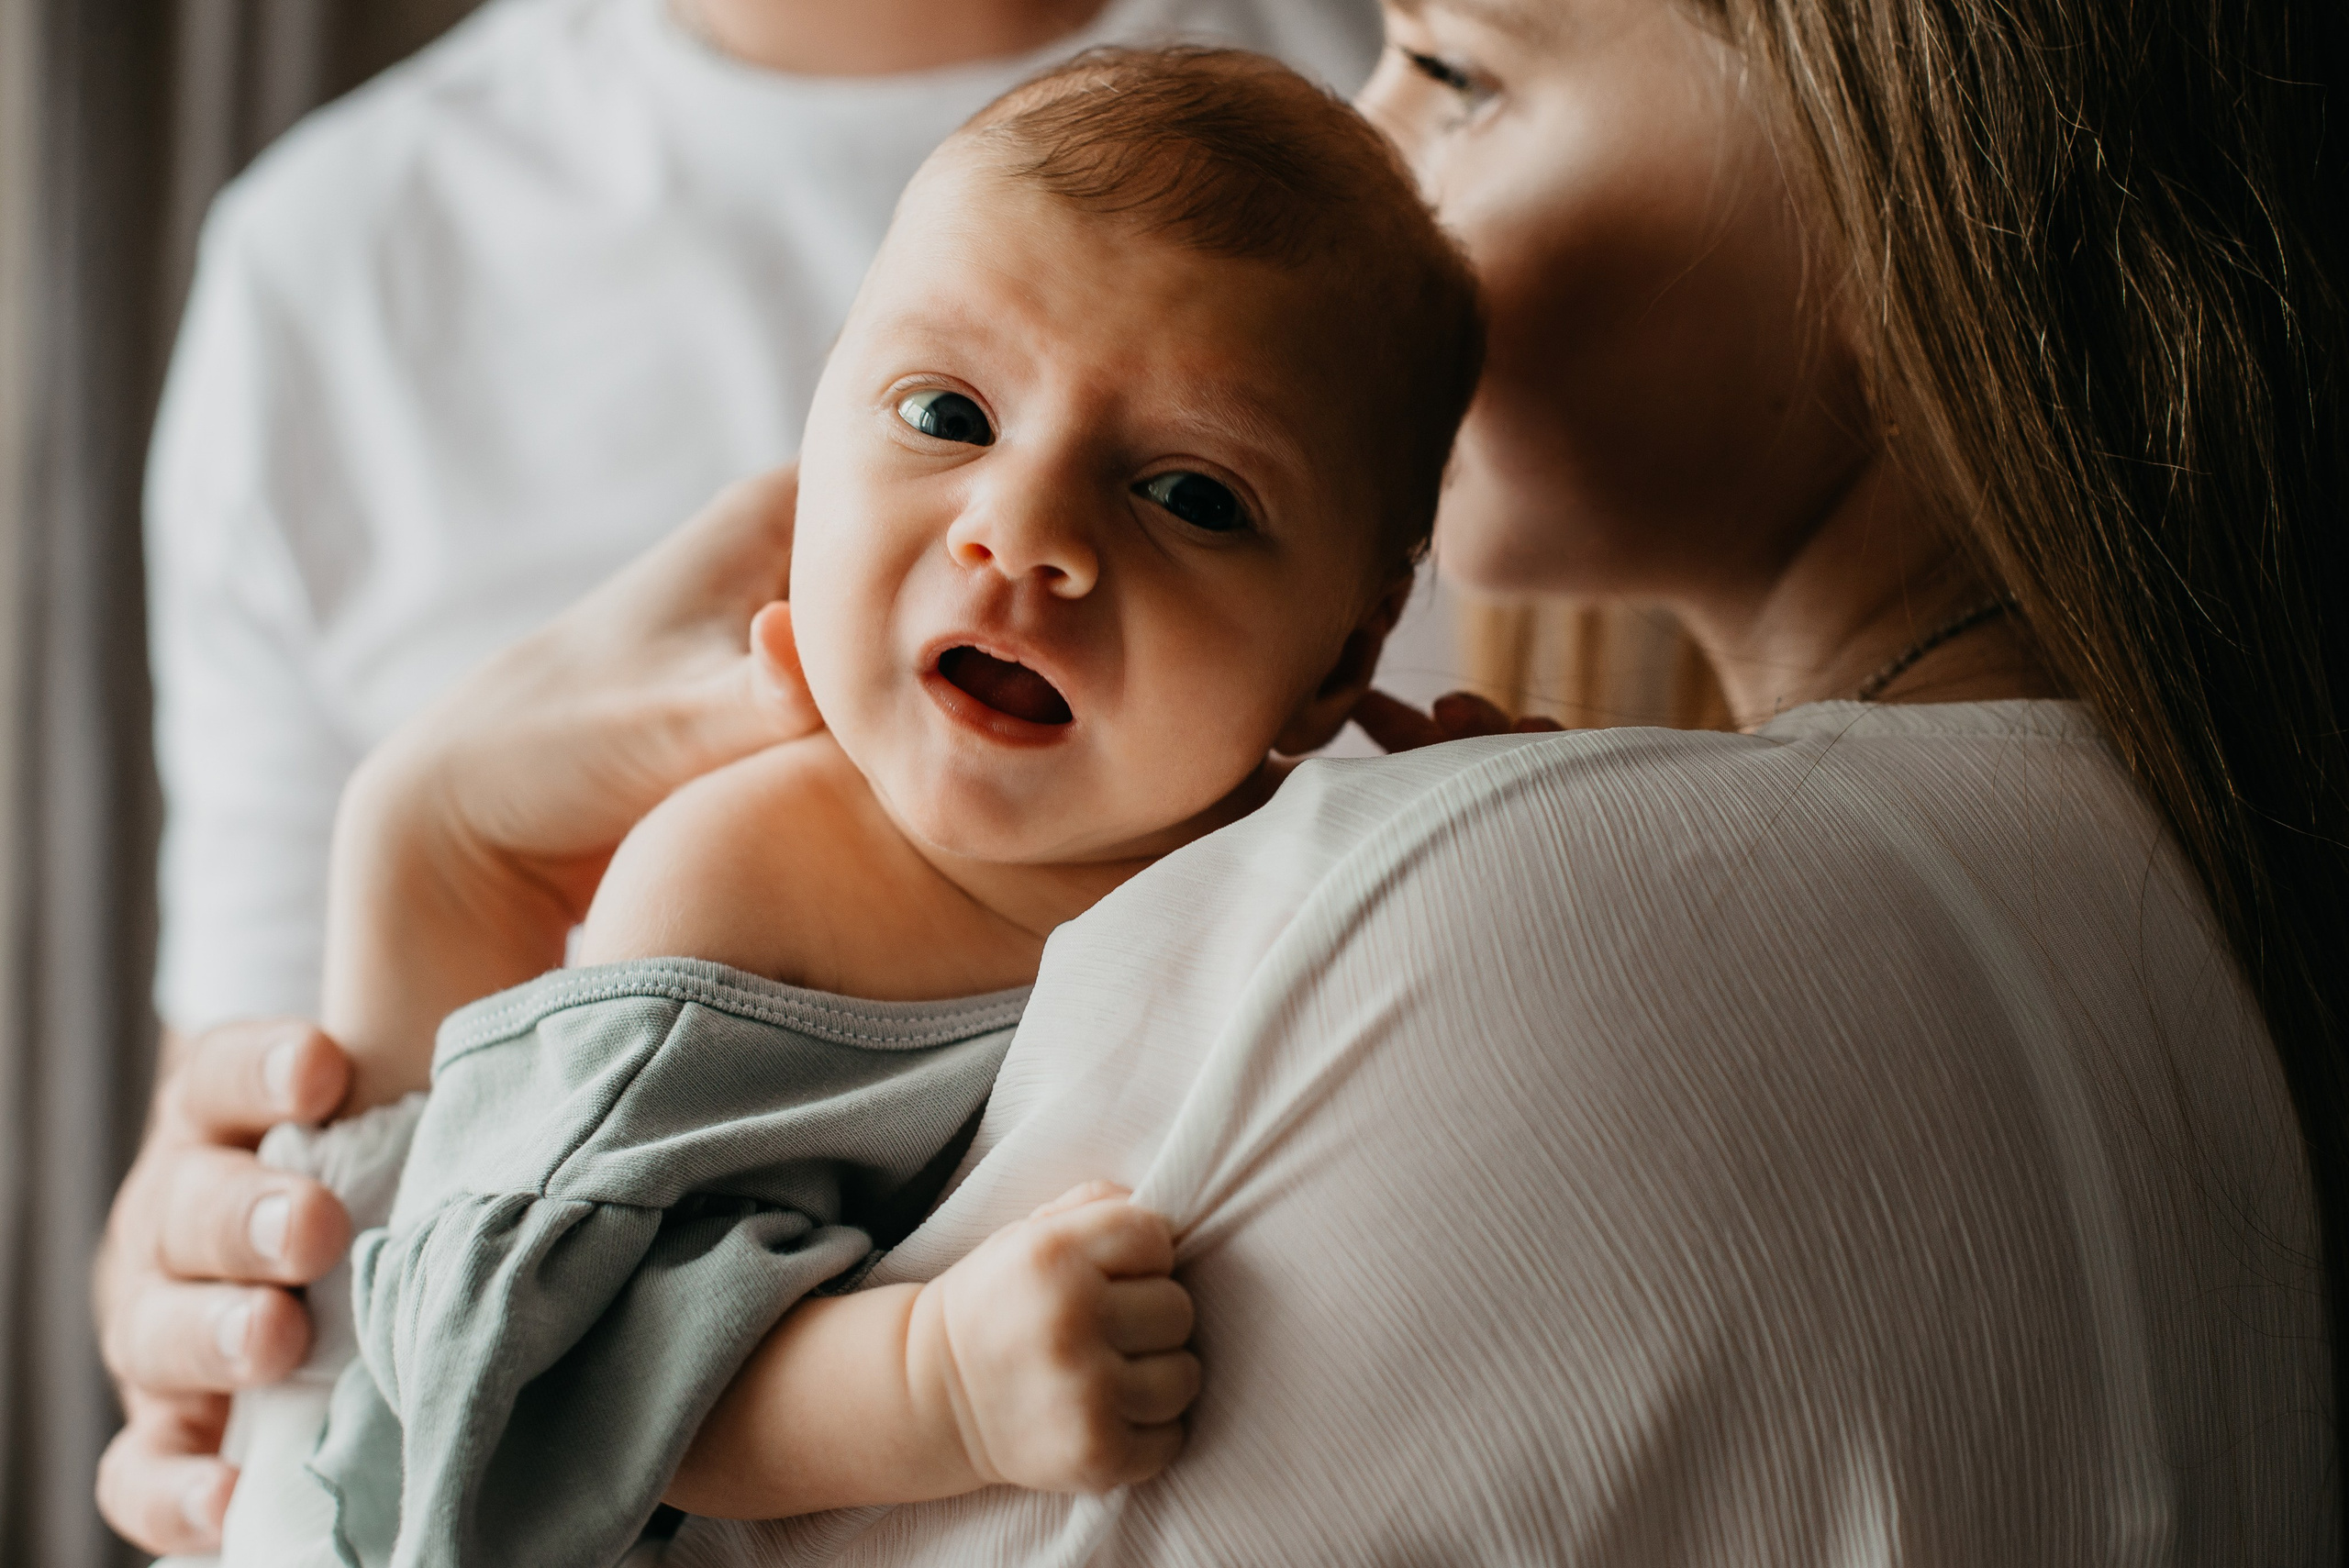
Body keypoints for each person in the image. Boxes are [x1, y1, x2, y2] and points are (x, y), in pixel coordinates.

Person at [109, 0, 2347, 1558]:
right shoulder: (2139, 872)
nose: (1028, 534)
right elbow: (509, 1394)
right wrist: (345, 1148)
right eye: (938, 419)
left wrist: (419, 904)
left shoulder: (1519, 907)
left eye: (1453, 69)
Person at [110, 0, 1381, 1552]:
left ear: (1340, 659)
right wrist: (932, 1382)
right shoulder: (749, 884)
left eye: (1190, 493)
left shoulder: (1415, 107)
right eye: (945, 417)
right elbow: (540, 1370)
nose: (1024, 526)